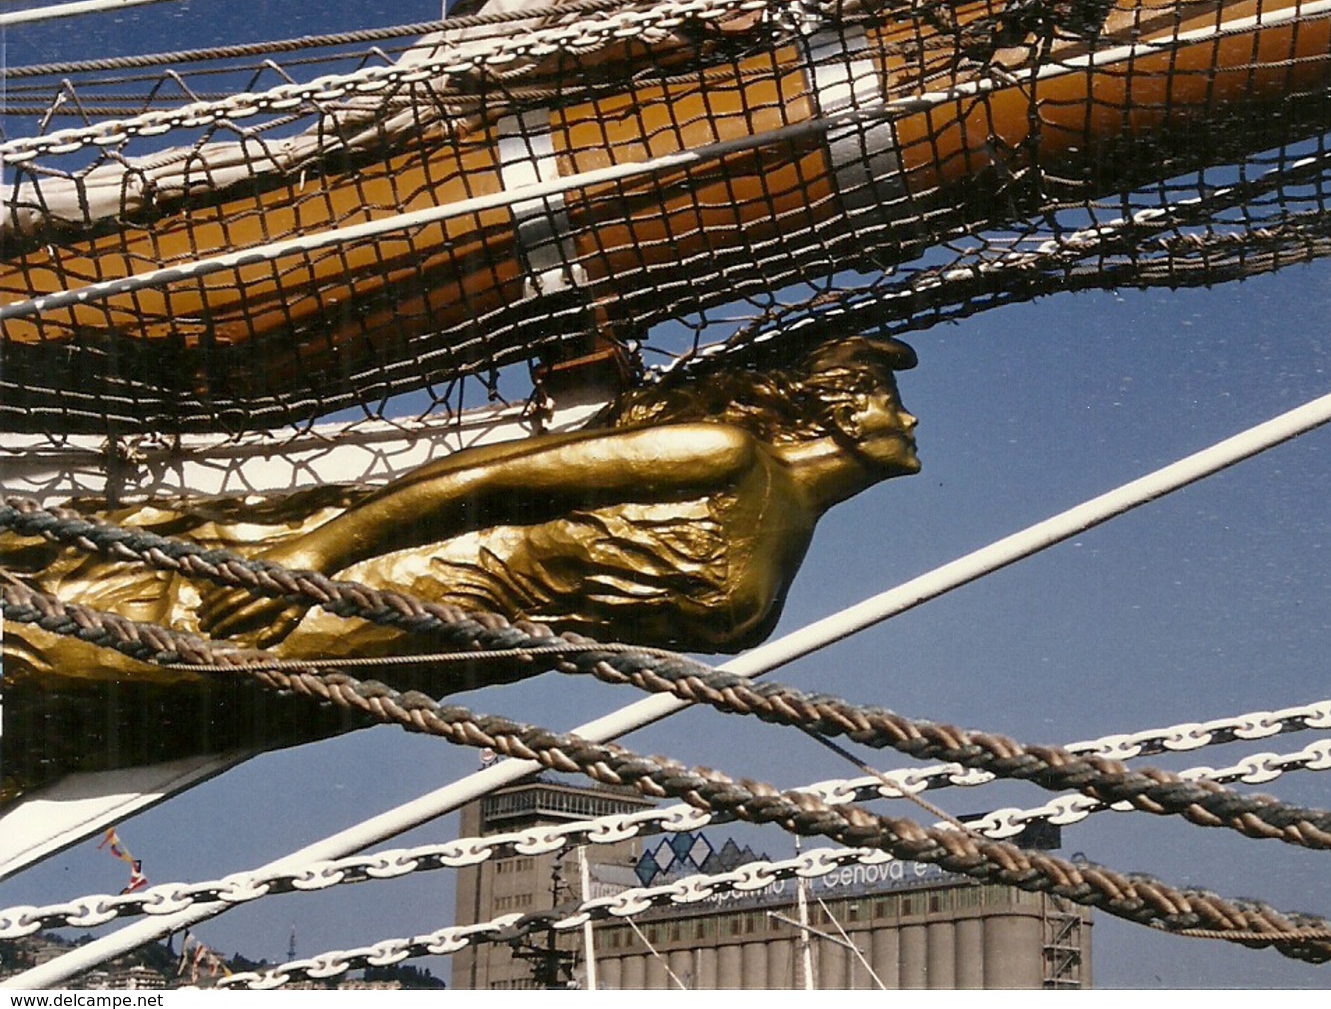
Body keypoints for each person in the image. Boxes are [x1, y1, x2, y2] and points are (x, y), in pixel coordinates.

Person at [0, 337, 920, 799]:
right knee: (124, 653)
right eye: (887, 398)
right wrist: (314, 554)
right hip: (406, 586)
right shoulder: (723, 455)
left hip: (442, 656)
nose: (908, 421)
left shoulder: (784, 521)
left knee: (160, 711)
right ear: (828, 407)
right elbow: (476, 482)